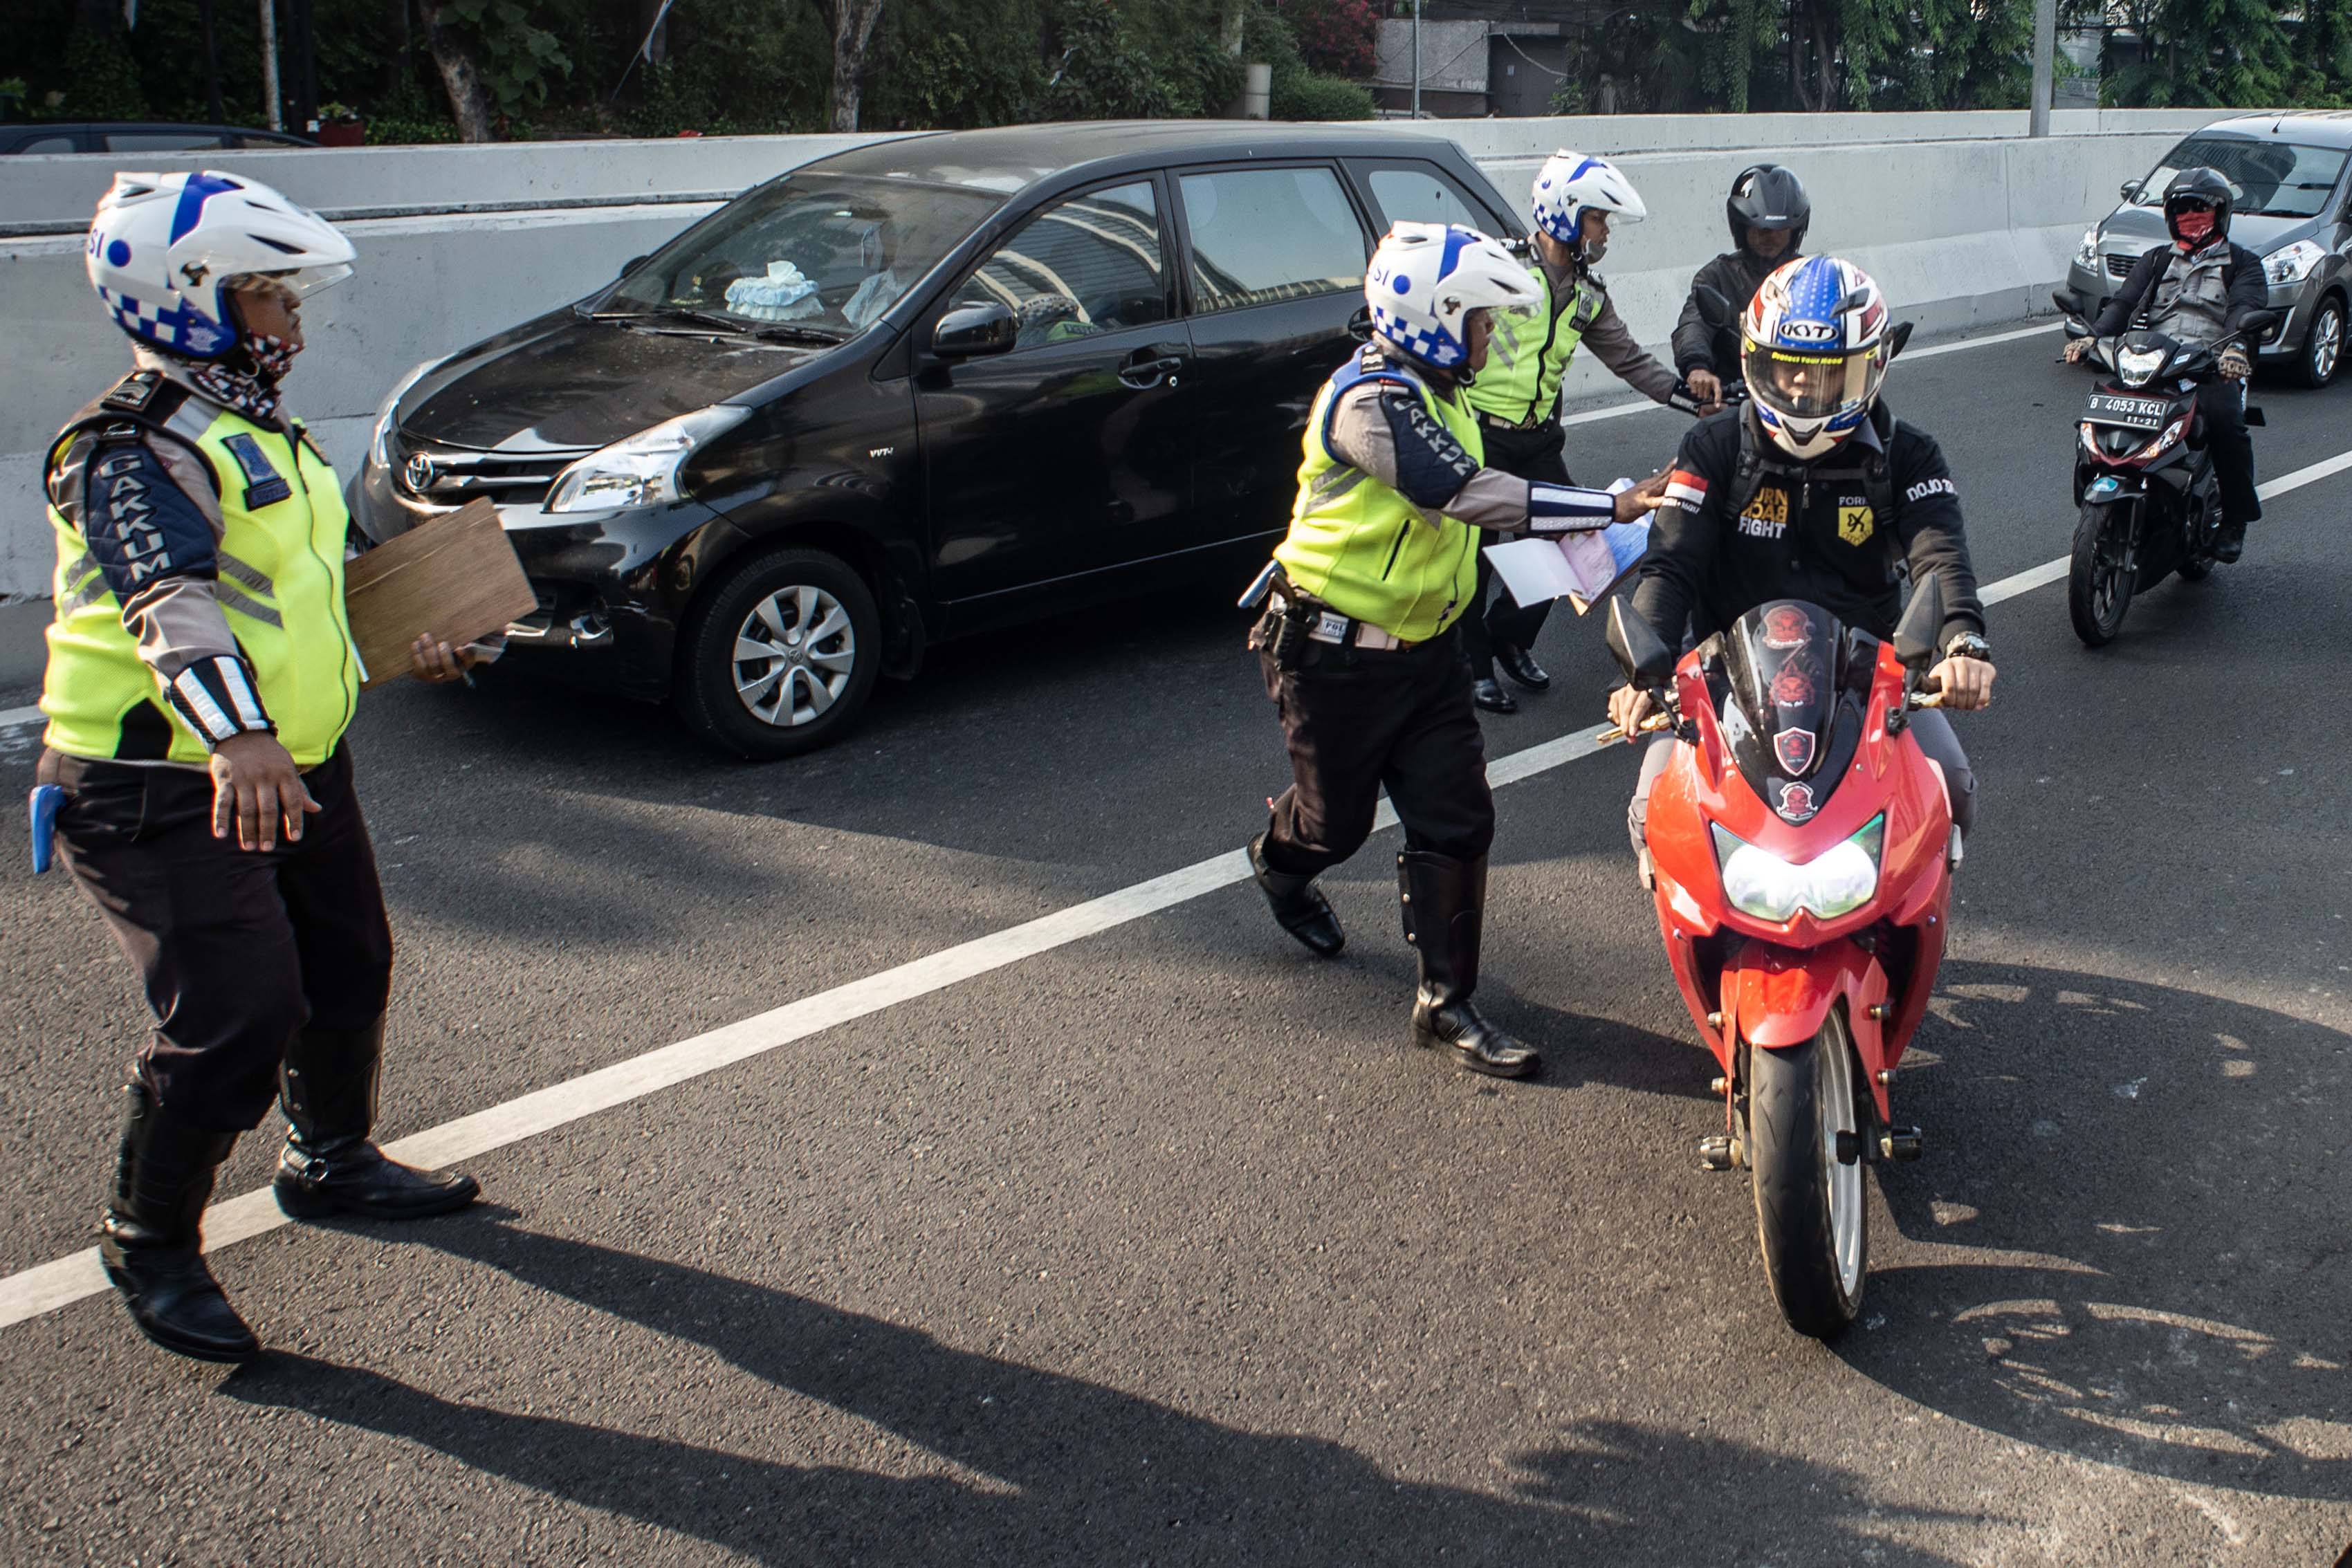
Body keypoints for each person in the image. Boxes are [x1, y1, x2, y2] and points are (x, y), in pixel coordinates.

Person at [39, 170, 484, 1363]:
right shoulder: (126, 449)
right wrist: (237, 738)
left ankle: (330, 1159)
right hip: (166, 784)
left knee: (349, 965)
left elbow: (322, 594)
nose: (291, 325)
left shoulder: (259, 433)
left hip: (295, 763)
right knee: (240, 1013)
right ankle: (149, 1236)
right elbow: (166, 600)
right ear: (193, 302)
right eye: (267, 299)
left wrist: (421, 638)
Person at [1247, 222, 1666, 1079]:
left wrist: (1574, 551)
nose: (1488, 334)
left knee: (1458, 817)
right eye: (1476, 318)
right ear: (1431, 317)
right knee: (1337, 823)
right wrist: (1605, 509)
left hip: (1428, 652)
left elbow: (1466, 518)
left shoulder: (1445, 390)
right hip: (1333, 656)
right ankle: (1279, 861)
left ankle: (1444, 1002)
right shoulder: (1370, 402)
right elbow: (1466, 492)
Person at [1608, 256, 1995, 870]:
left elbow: (1941, 558)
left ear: (1872, 370)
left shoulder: (1909, 455)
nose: (1798, 391)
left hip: (1868, 675)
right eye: (1784, 370)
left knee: (1952, 787)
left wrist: (1964, 646)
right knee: (1652, 811)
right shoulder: (1713, 446)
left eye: (1824, 377)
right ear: (1754, 361)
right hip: (1728, 672)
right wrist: (1643, 669)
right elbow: (1671, 563)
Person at [1460, 151, 1684, 716]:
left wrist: (1689, 398)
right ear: (1564, 213)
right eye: (1598, 218)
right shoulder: (1504, 270)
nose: (1605, 231)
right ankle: (1473, 669)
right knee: (1473, 559)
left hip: (1538, 439)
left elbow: (1628, 359)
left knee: (1568, 552)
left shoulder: (1587, 292)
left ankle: (1508, 638)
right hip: (1482, 435)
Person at [2066, 167, 2265, 562]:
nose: (2191, 218)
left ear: (2220, 214)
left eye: (2201, 210)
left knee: (2226, 422)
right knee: (2103, 408)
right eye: (2182, 210)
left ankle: (2234, 519)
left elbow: (2245, 310)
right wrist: (2093, 338)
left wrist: (2235, 352)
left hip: (2209, 365)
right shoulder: (2156, 261)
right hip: (2156, 360)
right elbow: (2123, 304)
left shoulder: (2243, 265)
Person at [1673, 163, 1811, 410]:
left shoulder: (1810, 275)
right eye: (1759, 230)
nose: (1768, 237)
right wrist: (1697, 367)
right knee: (1698, 447)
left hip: (1803, 395)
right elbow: (1694, 323)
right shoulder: (1717, 276)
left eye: (1778, 231)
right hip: (1736, 402)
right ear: (1742, 228)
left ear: (1794, 231)